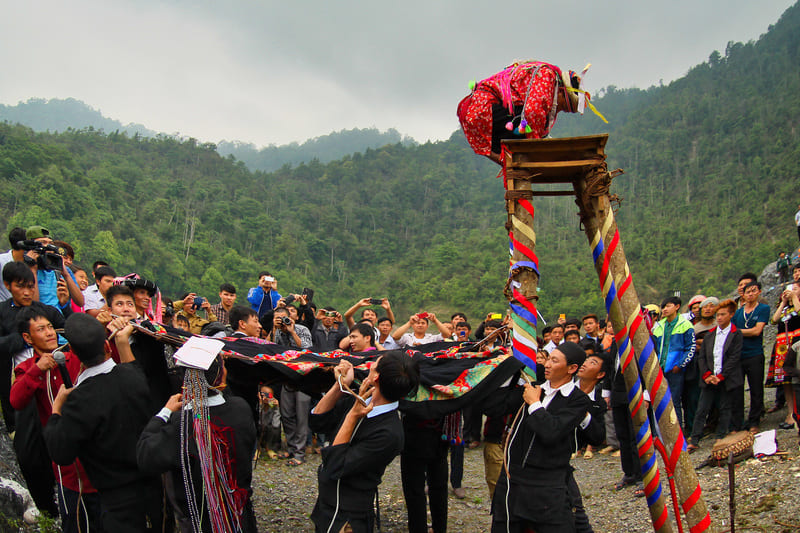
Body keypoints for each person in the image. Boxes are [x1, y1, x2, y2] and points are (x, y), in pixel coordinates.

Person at [43, 313, 163, 533]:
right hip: (154, 491)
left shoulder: (80, 400)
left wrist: (56, 410)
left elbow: (61, 453)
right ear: (107, 346)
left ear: (74, 353)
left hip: (116, 499)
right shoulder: (133, 376)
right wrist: (123, 341)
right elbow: (130, 366)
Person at [137, 354, 258, 533]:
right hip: (238, 511)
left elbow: (145, 455)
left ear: (185, 382)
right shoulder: (241, 409)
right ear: (221, 376)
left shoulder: (182, 423)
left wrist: (164, 413)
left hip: (200, 519)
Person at [10, 306, 101, 531]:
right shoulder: (27, 368)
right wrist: (38, 370)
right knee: (74, 516)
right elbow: (17, 401)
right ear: (27, 338)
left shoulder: (73, 357)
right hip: (64, 454)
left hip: (94, 445)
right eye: (41, 329)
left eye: (50, 327)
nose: (50, 333)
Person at [309, 353, 420, 533]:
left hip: (348, 518)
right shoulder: (362, 399)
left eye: (374, 364)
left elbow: (334, 465)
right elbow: (317, 421)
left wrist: (352, 417)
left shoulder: (389, 434)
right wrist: (340, 386)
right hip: (327, 505)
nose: (369, 365)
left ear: (375, 377)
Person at [490, 342, 591, 533]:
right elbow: (494, 407)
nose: (547, 364)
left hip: (546, 485)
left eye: (554, 360)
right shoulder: (533, 388)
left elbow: (551, 432)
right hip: (512, 481)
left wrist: (535, 404)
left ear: (572, 368)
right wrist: (506, 373)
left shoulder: (577, 400)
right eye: (548, 358)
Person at [457, 61, 596, 164]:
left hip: (479, 112)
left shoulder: (547, 81)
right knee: (526, 125)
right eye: (563, 106)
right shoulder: (547, 77)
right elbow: (532, 112)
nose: (561, 110)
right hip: (482, 108)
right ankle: (518, 163)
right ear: (560, 92)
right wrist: (537, 150)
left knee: (527, 141)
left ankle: (515, 163)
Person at [0, 261, 69, 431]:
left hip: (50, 376)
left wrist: (65, 306)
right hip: (14, 375)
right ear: (8, 285)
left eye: (31, 287)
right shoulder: (2, 312)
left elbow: (69, 329)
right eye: (20, 286)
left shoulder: (44, 311)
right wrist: (22, 340)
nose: (27, 292)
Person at [688, 299, 743, 451]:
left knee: (725, 407)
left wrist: (721, 375)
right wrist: (707, 374)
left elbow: (734, 357)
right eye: (718, 315)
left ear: (731, 315)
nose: (719, 318)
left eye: (723, 315)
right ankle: (695, 439)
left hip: (726, 377)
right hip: (709, 377)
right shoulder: (711, 334)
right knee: (702, 408)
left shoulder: (735, 333)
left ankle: (720, 436)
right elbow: (702, 357)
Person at [271, 306, 313, 465]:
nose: (282, 321)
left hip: (303, 377)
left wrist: (292, 331)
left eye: (284, 317)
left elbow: (307, 349)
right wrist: (275, 328)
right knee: (287, 415)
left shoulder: (302, 329)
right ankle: (291, 448)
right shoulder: (277, 332)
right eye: (278, 318)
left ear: (291, 317)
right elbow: (273, 351)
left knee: (302, 416)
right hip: (286, 376)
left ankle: (300, 453)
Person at [652, 296, 696, 429]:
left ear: (677, 307)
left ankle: (678, 432)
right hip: (661, 369)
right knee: (662, 402)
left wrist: (680, 364)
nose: (664, 309)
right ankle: (665, 432)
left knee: (676, 401)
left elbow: (691, 347)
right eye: (663, 307)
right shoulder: (659, 326)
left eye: (668, 306)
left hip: (676, 370)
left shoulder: (685, 324)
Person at [732, 281, 770, 432]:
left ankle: (754, 421)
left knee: (756, 388)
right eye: (748, 292)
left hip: (755, 353)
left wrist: (739, 332)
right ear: (743, 294)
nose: (751, 294)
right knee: (737, 389)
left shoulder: (763, 308)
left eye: (754, 291)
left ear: (759, 292)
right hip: (739, 354)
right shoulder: (738, 313)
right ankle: (738, 422)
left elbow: (757, 331)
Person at [766, 279, 800, 430]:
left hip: (797, 344)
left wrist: (794, 298)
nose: (790, 290)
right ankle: (791, 412)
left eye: (795, 288)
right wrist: (783, 302)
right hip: (782, 347)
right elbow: (774, 320)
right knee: (786, 381)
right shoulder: (785, 309)